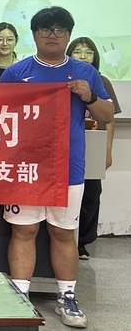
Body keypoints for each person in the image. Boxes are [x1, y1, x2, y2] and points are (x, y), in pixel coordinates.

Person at [0, 6, 114, 328]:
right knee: (24, 230)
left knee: (63, 233)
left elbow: (107, 115)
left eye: (60, 30)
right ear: (35, 34)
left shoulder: (85, 72)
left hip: (68, 167)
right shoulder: (16, 73)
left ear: (68, 34)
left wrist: (89, 96)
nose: (53, 35)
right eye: (45, 30)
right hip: (25, 167)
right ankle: (20, 297)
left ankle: (67, 297)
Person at [66, 37, 121, 260]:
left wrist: (107, 151)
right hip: (71, 144)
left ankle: (82, 242)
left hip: (94, 145)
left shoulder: (101, 80)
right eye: (78, 52)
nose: (83, 56)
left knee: (91, 193)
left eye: (88, 52)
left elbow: (110, 119)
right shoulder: (66, 79)